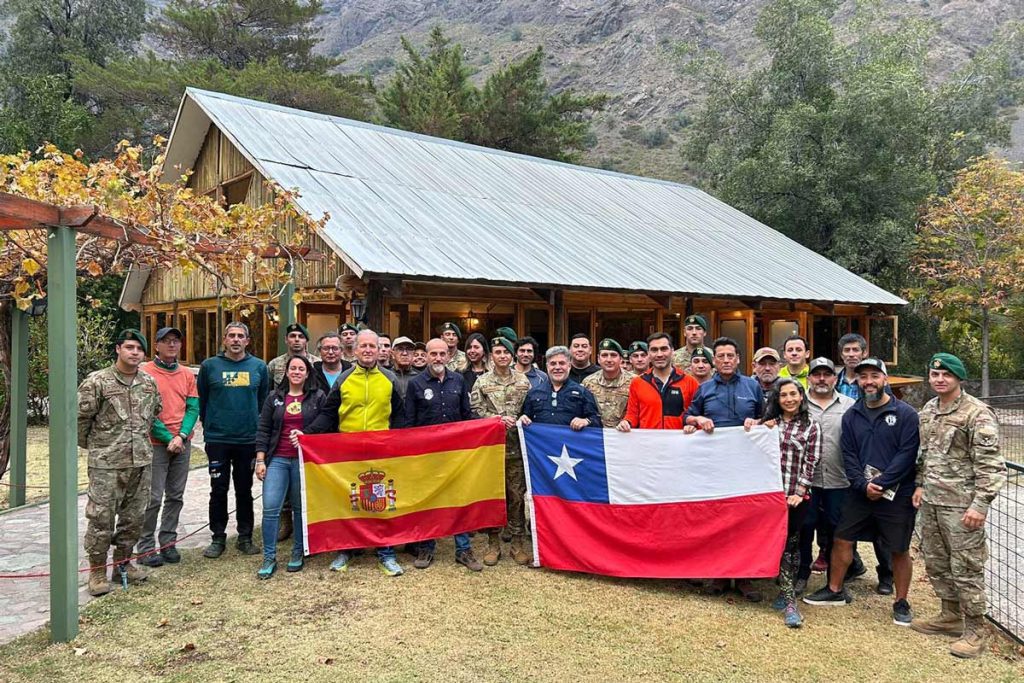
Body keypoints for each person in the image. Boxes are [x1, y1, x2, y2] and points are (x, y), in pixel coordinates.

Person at [803, 358, 920, 628]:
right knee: (842, 539)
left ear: (885, 379)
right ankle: (834, 590)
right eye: (863, 376)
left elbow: (907, 454)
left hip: (897, 492)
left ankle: (901, 601)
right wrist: (861, 484)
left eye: (874, 376)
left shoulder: (905, 414)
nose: (868, 381)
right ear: (857, 381)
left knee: (899, 548)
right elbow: (849, 454)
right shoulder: (853, 414)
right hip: (859, 491)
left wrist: (883, 483)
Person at [911, 353, 1006, 658]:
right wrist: (920, 485)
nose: (940, 380)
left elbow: (991, 466)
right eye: (935, 375)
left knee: (966, 568)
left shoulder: (976, 414)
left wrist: (980, 505)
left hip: (962, 507)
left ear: (958, 378)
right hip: (932, 503)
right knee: (937, 563)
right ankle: (949, 616)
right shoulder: (928, 410)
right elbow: (925, 455)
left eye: (946, 375)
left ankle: (976, 630)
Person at [305, 329, 406, 576]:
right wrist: (307, 434)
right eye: (364, 346)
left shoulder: (389, 378)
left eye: (373, 346)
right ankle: (347, 549)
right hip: (348, 451)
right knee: (349, 501)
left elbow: (402, 418)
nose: (369, 350)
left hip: (380, 450)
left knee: (381, 501)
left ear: (380, 349)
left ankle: (386, 552)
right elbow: (328, 413)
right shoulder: (344, 378)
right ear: (355, 349)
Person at [79, 330, 163, 596]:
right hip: (106, 464)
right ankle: (96, 572)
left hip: (140, 462)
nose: (135, 352)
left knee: (134, 518)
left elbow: (153, 414)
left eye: (139, 348)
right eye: (129, 347)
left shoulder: (148, 383)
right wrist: (99, 447)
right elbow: (81, 421)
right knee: (100, 519)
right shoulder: (97, 382)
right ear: (118, 349)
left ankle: (123, 565)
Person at [684, 336, 764, 602]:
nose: (726, 360)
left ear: (738, 359)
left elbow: (770, 419)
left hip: (746, 467)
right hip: (715, 466)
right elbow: (688, 416)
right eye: (721, 356)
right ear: (714, 361)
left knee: (743, 520)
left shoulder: (752, 387)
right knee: (717, 518)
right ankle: (718, 574)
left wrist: (759, 421)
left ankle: (744, 577)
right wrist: (699, 418)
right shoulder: (705, 389)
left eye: (731, 356)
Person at [405, 338, 481, 571]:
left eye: (442, 353)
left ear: (449, 356)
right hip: (427, 455)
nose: (438, 358)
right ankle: (427, 547)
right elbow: (409, 422)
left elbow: (467, 416)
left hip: (455, 454)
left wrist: (492, 422)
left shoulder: (458, 380)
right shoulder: (416, 384)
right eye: (433, 354)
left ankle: (463, 549)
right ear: (426, 356)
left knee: (459, 499)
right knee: (429, 500)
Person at [197, 322, 269, 559]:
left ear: (247, 341)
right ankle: (218, 537)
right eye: (231, 336)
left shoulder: (259, 367)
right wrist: (211, 427)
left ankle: (245, 537)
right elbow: (203, 401)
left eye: (241, 336)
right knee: (218, 488)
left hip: (247, 439)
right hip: (218, 439)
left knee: (244, 488)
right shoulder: (209, 367)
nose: (236, 340)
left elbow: (263, 403)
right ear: (224, 340)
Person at [253, 356, 327, 579]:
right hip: (278, 459)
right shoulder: (274, 398)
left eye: (301, 369)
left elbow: (325, 424)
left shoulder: (317, 397)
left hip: (304, 461)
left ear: (307, 374)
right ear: (286, 372)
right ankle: (269, 557)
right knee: (271, 506)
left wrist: (307, 435)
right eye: (292, 368)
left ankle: (298, 552)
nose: (296, 372)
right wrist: (260, 460)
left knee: (298, 506)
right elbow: (264, 429)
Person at [137, 327, 199, 569]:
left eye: (176, 341)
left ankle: (168, 542)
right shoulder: (145, 373)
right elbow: (146, 412)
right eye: (166, 341)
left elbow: (193, 407)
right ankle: (145, 547)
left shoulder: (186, 374)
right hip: (155, 444)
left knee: (175, 495)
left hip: (182, 443)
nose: (172, 345)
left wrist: (182, 436)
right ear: (156, 346)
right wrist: (168, 437)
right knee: (152, 497)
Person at [762, 378, 821, 628]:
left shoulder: (811, 426)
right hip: (771, 496)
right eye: (783, 395)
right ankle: (786, 592)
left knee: (792, 545)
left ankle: (789, 601)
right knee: (779, 545)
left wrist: (799, 491)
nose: (788, 399)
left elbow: (812, 461)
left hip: (796, 497)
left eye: (793, 394)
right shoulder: (768, 426)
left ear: (801, 396)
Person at [470, 336, 532, 566]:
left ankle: (517, 544)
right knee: (493, 496)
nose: (502, 356)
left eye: (506, 352)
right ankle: (493, 542)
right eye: (498, 352)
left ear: (512, 355)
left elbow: (531, 408)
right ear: (491, 356)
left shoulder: (524, 381)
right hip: (491, 451)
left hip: (517, 450)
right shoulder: (482, 382)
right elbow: (475, 410)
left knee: (516, 497)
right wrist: (495, 419)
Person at [797, 358, 856, 595]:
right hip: (806, 481)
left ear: (835, 377)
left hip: (839, 480)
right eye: (816, 374)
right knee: (804, 528)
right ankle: (802, 573)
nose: (822, 379)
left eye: (827, 374)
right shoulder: (798, 405)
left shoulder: (850, 405)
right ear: (809, 377)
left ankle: (835, 580)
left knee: (836, 530)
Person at [617, 333, 699, 431]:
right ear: (649, 354)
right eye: (654, 350)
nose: (659, 354)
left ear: (672, 351)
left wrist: (692, 425)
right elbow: (632, 415)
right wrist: (626, 422)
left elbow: (697, 415)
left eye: (664, 349)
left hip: (679, 443)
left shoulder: (690, 382)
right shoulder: (638, 383)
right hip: (649, 443)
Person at [520, 346, 601, 430]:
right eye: (553, 364)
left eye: (562, 363)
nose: (557, 367)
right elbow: (525, 417)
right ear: (547, 366)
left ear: (569, 366)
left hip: (570, 442)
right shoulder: (534, 393)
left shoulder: (582, 392)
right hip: (542, 442)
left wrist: (586, 421)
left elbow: (596, 420)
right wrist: (523, 418)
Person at [582, 339, 635, 428]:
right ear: (598, 359)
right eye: (604, 355)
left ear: (621, 359)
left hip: (625, 435)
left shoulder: (634, 381)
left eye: (613, 355)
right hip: (598, 435)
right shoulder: (588, 382)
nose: (609, 359)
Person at [267, 323, 320, 387]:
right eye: (292, 336)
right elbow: (268, 391)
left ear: (306, 341)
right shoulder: (274, 364)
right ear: (286, 339)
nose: (297, 339)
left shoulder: (317, 363)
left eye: (301, 336)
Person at [835, 333, 867, 399]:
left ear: (864, 353)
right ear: (841, 355)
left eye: (855, 350)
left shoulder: (872, 382)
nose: (851, 354)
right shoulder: (834, 382)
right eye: (847, 350)